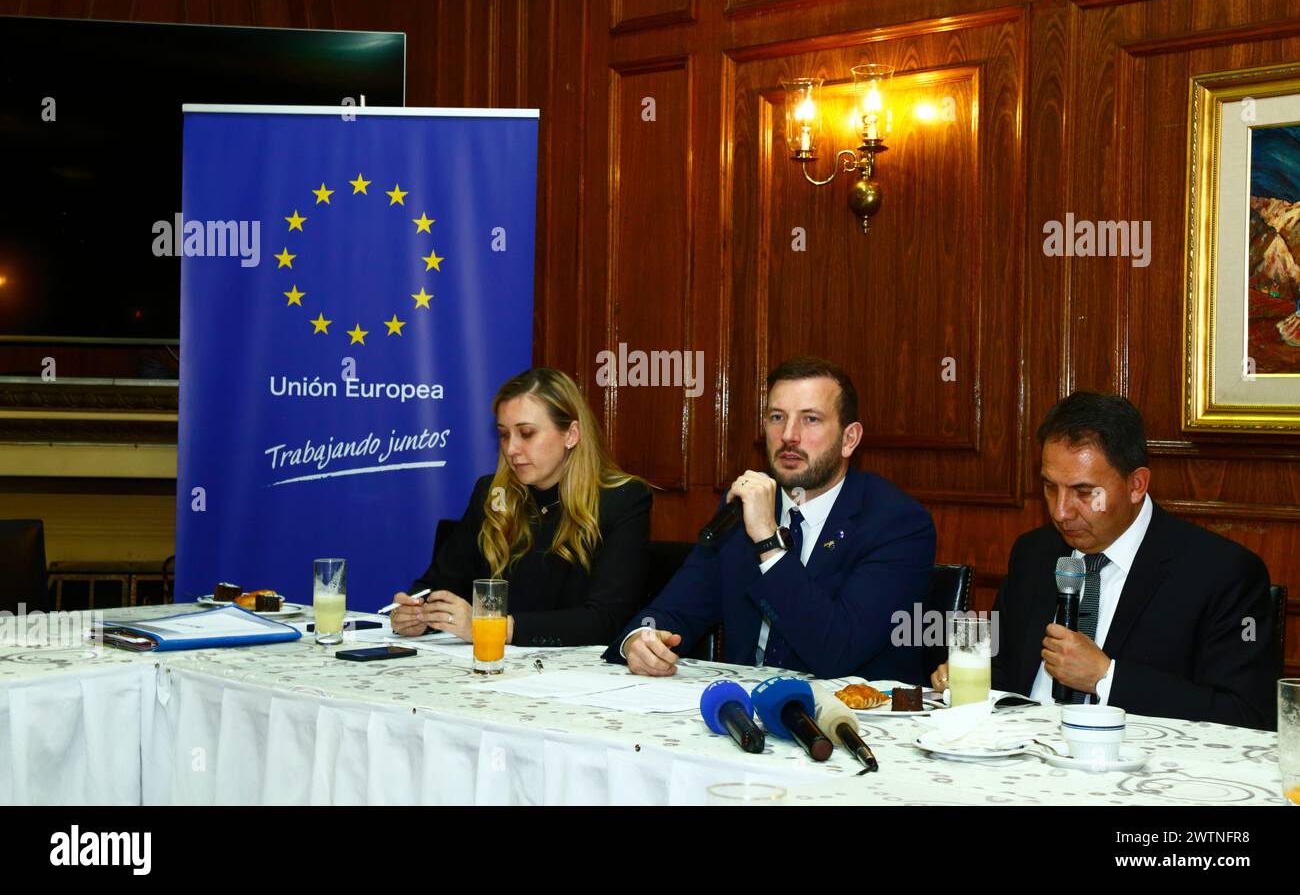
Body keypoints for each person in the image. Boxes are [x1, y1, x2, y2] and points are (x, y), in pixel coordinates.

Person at [931, 391, 1277, 730]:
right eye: (1050, 487)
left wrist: (1105, 678)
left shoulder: (1221, 572)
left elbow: (1245, 714)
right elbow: (1008, 668)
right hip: (1020, 752)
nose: (1060, 511)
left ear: (1136, 485)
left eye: (1084, 492)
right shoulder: (1035, 553)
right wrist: (966, 674)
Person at [605, 357, 936, 681]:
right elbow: (673, 610)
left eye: (811, 420)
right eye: (777, 417)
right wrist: (638, 641)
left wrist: (768, 541)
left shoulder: (898, 524)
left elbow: (837, 652)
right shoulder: (742, 506)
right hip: (746, 713)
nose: (789, 435)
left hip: (850, 721)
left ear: (849, 439)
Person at [390, 367, 652, 647]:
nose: (511, 448)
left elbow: (607, 619)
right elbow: (441, 582)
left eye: (526, 433)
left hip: (578, 677)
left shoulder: (622, 498)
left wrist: (496, 629)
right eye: (504, 434)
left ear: (571, 434)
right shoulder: (492, 494)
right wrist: (417, 611)